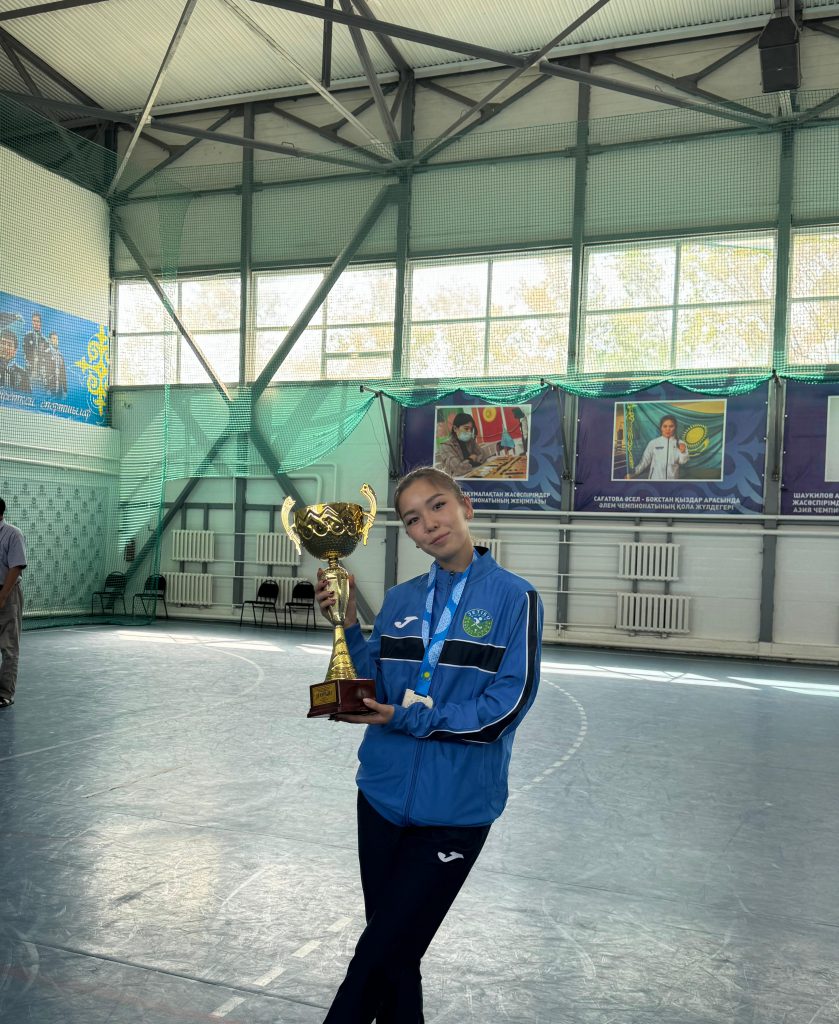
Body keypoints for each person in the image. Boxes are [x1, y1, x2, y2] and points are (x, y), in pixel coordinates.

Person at [315, 466, 543, 1024]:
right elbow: (373, 683)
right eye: (414, 520)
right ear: (410, 536)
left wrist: (410, 718)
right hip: (380, 799)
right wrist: (347, 625)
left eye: (438, 506)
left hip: (455, 812)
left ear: (466, 506)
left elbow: (506, 707)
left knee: (375, 958)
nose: (430, 524)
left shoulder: (515, 598)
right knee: (396, 959)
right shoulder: (400, 599)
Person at [0, 498, 27, 709]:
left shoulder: (12, 534)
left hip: (6, 592)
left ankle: (5, 693)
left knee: (8, 646)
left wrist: (2, 595)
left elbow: (16, 567)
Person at [626, 413, 689, 481]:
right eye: (665, 426)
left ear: (675, 427)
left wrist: (683, 452)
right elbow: (644, 462)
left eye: (671, 426)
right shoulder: (653, 443)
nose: (668, 429)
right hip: (655, 479)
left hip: (672, 480)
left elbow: (683, 462)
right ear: (661, 428)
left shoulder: (681, 443)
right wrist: (634, 474)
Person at [434, 411, 494, 477]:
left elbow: (484, 454)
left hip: (473, 473)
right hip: (457, 479)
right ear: (455, 428)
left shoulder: (470, 440)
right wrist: (471, 459)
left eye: (471, 429)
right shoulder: (446, 446)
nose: (469, 432)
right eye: (466, 428)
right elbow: (458, 469)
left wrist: (468, 462)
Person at [22, 311, 50, 388]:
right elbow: (25, 352)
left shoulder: (44, 340)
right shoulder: (27, 336)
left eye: (37, 321)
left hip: (41, 372)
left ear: (40, 323)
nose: (36, 323)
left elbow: (47, 357)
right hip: (30, 370)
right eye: (34, 321)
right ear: (32, 322)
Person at [44, 331, 68, 397]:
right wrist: (47, 388)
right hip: (50, 388)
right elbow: (44, 372)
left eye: (57, 339)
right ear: (49, 340)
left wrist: (65, 390)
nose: (56, 341)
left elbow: (63, 374)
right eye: (54, 338)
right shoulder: (46, 353)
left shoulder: (60, 356)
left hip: (59, 389)